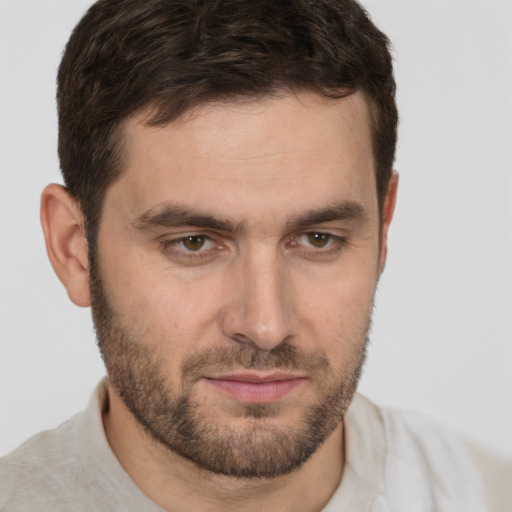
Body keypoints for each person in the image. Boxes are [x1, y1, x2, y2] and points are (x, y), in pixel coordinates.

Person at [0, 0, 510, 510]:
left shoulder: (485, 496)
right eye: (194, 243)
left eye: (318, 239)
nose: (265, 326)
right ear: (75, 250)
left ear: (384, 226)